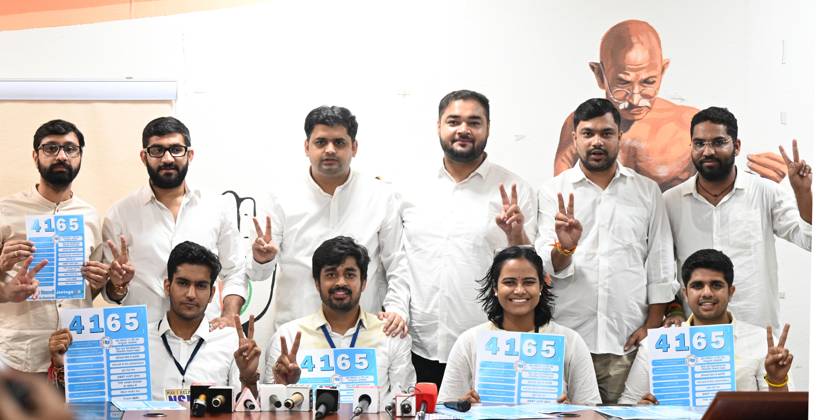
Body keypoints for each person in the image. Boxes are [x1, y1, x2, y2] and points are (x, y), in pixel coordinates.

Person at [536, 98, 676, 403]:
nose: (597, 141)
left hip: (626, 342)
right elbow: (548, 265)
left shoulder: (646, 191)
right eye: (587, 133)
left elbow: (661, 263)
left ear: (619, 136)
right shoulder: (552, 192)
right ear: (575, 138)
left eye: (606, 133)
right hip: (567, 342)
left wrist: (652, 326)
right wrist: (566, 247)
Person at [400, 89, 536, 386]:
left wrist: (516, 235)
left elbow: (531, 272)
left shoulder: (514, 188)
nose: (463, 129)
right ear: (439, 126)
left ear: (488, 129)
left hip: (489, 345)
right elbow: (398, 264)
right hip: (418, 347)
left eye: (474, 122)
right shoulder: (411, 188)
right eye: (454, 121)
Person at [553, 19, 786, 190]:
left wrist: (759, 181)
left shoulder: (687, 124)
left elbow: (720, 184)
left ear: (663, 70)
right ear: (599, 74)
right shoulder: (582, 125)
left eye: (648, 82)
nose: (635, 98)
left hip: (677, 246)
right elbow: (561, 197)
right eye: (622, 84)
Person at [102, 116, 273, 326]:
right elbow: (112, 293)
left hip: (205, 337)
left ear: (190, 154)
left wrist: (229, 316)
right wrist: (118, 285)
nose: (167, 159)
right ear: (143, 156)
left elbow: (235, 270)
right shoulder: (119, 214)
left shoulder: (216, 207)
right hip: (144, 339)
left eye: (176, 149)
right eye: (157, 150)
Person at [254, 105, 410, 336]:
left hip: (366, 335)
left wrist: (397, 310)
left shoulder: (380, 196)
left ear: (354, 147)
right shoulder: (281, 197)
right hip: (299, 334)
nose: (330, 150)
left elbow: (397, 263)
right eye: (320, 142)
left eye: (339, 142)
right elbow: (259, 274)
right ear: (306, 147)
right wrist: (261, 259)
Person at [662, 107, 811, 334]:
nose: (707, 151)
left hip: (757, 330)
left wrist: (803, 194)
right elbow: (661, 268)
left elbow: (809, 240)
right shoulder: (671, 201)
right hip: (696, 333)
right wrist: (673, 309)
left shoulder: (765, 193)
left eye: (719, 142)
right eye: (699, 143)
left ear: (737, 146)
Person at [0, 119, 108, 373]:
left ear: (80, 156)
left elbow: (89, 290)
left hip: (76, 352)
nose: (61, 155)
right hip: (19, 355)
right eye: (51, 148)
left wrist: (101, 281)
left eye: (70, 149)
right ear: (35, 155)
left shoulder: (91, 216)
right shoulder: (5, 211)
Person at [619, 249, 794, 404]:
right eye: (697, 285)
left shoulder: (760, 342)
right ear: (685, 293)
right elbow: (628, 403)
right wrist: (640, 411)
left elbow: (783, 413)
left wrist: (777, 381)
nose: (707, 293)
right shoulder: (656, 344)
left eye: (716, 285)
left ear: (731, 292)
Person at [263, 236, 415, 411]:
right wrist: (282, 387)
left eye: (350, 274)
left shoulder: (390, 335)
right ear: (317, 284)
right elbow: (269, 409)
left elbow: (405, 405)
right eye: (331, 274)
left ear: (364, 282)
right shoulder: (287, 337)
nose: (341, 282)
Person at [439, 246, 601, 405]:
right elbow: (444, 409)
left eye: (529, 282)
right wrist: (463, 407)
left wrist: (572, 412)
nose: (519, 290)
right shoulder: (469, 341)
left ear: (541, 287)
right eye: (509, 282)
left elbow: (592, 410)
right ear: (495, 288)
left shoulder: (570, 342)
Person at [148, 241, 260, 400]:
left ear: (212, 293)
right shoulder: (141, 341)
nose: (191, 294)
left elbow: (246, 411)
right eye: (183, 283)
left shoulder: (231, 342)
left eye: (201, 285)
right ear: (167, 286)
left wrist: (248, 378)